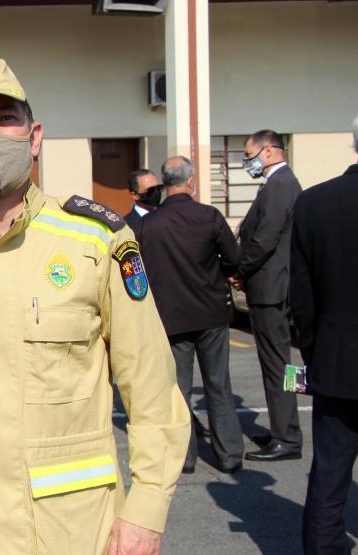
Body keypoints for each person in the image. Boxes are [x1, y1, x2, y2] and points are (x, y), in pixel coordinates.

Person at [0, 59, 188, 554]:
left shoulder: (96, 240)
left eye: (5, 118)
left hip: (72, 530)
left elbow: (150, 384)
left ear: (34, 136)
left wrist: (146, 512)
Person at [292, 103, 358, 553]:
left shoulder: (313, 201)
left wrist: (313, 352)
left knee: (329, 473)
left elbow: (301, 296)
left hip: (336, 361)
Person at [136, 156, 244, 474]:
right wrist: (223, 271)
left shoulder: (149, 224)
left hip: (171, 316)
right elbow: (233, 258)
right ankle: (229, 454)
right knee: (218, 385)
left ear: (164, 184)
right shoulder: (209, 216)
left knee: (178, 390)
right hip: (211, 312)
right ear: (191, 181)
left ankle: (184, 456)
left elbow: (138, 268)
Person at [230, 129, 303, 462]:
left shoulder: (280, 185)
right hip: (267, 288)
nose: (247, 161)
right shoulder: (275, 184)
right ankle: (281, 429)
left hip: (272, 290)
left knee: (278, 366)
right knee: (275, 364)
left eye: (249, 155)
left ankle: (287, 437)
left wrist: (241, 271)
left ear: (270, 151)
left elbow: (265, 239)